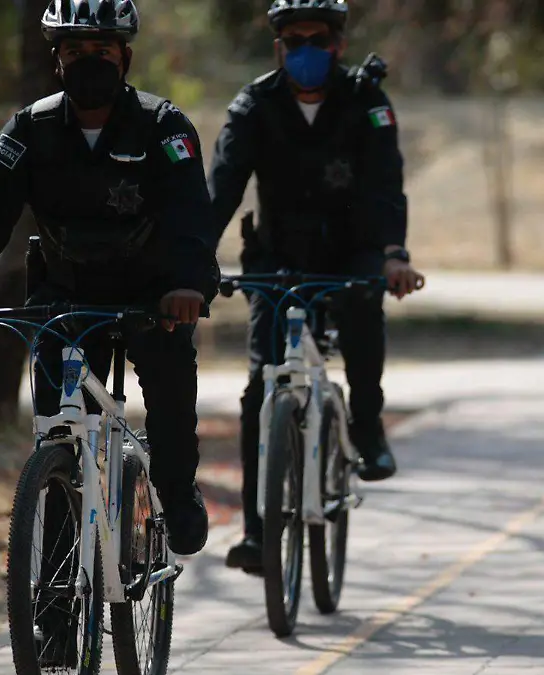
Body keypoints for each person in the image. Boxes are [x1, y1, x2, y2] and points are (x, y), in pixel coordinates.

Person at [0, 0, 220, 557]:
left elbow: (190, 215)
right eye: (75, 51)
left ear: (125, 58)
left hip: (152, 294)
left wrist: (188, 285)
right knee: (57, 434)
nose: (89, 61)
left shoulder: (164, 127)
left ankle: (177, 492)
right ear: (56, 60)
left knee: (171, 386)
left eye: (101, 51)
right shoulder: (29, 130)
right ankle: (56, 605)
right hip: (64, 296)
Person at [207, 0, 425, 574]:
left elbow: (386, 185)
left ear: (339, 45)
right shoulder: (253, 105)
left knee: (362, 304)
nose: (306, 49)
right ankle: (258, 534)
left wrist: (393, 255)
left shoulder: (367, 101)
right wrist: (191, 258)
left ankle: (366, 423)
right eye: (293, 39)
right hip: (276, 257)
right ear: (278, 47)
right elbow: (223, 186)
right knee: (260, 389)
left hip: (352, 249)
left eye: (318, 38)